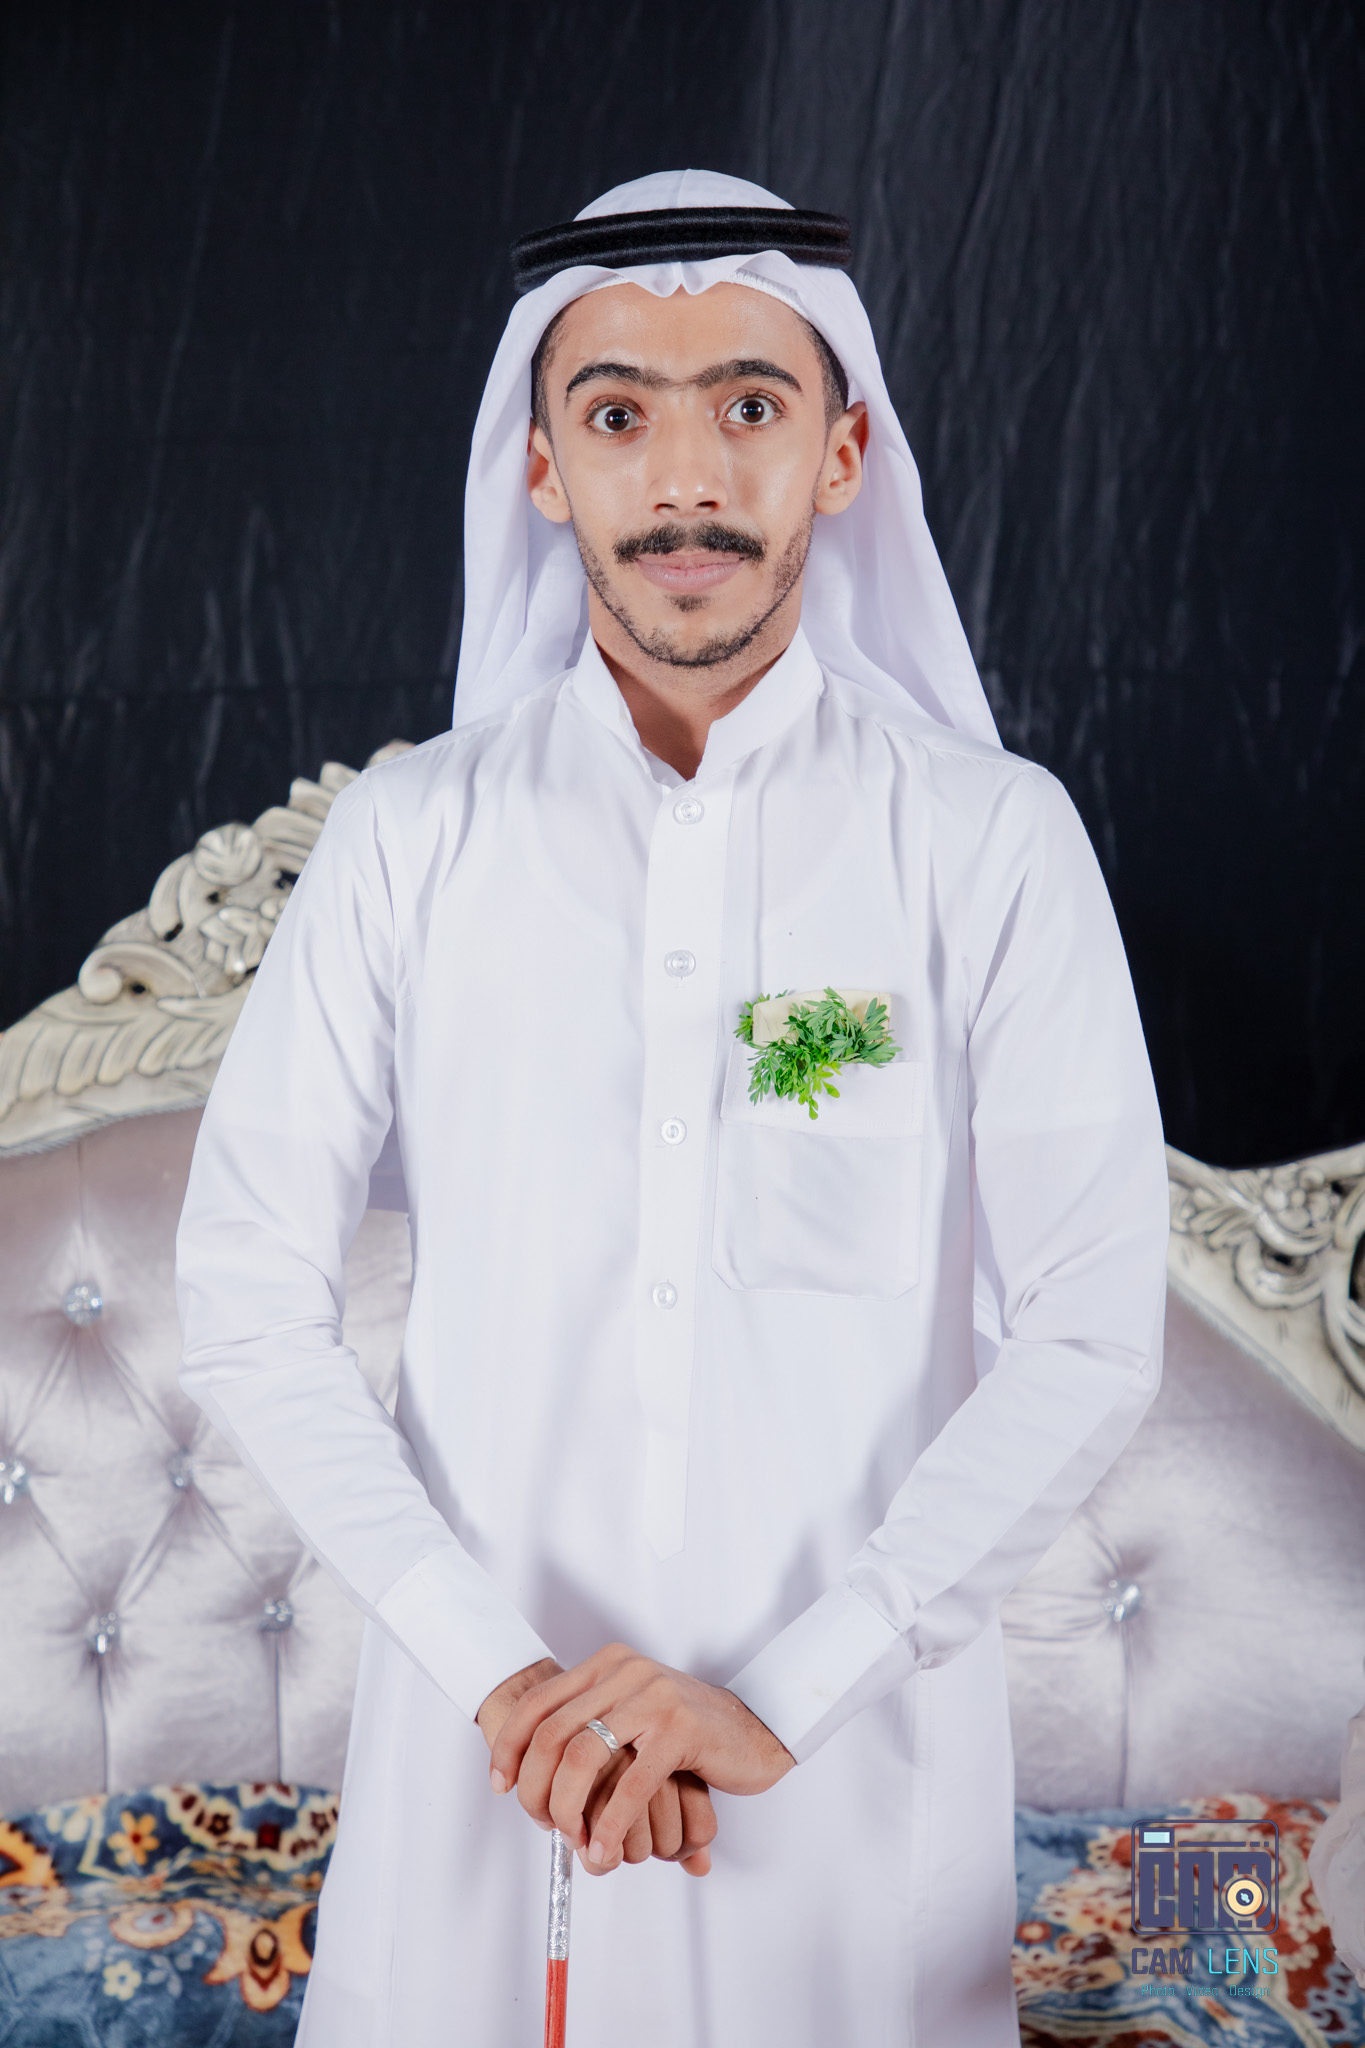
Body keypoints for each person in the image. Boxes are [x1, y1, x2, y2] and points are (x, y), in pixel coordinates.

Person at [176, 168, 1170, 2047]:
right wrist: (497, 1680)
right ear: (542, 467)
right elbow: (242, 1296)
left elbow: (1091, 1330)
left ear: (842, 453)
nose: (686, 478)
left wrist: (790, 1691)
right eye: (618, 414)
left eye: (750, 404)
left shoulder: (986, 843)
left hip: (843, 1783)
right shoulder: (411, 839)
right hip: (475, 1776)